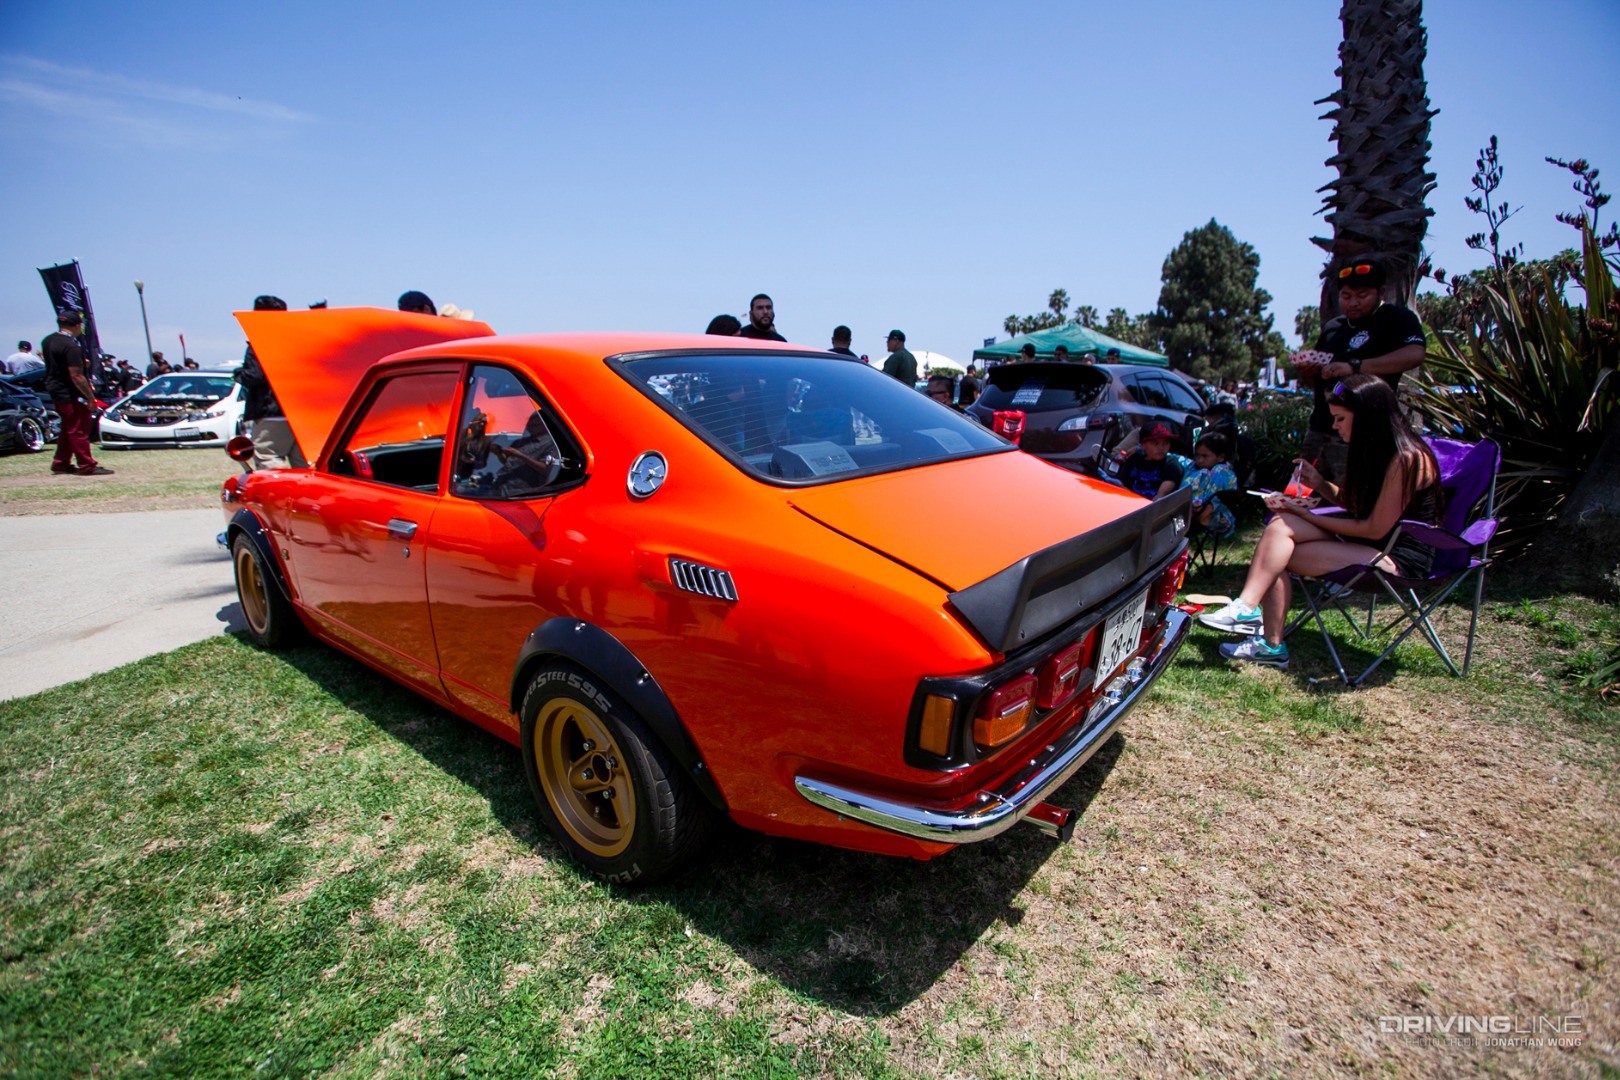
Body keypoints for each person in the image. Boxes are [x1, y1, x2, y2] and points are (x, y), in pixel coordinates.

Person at [1198, 374, 1442, 668]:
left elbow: (1374, 527)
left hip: (1396, 556)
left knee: (1279, 551)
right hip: (1367, 542)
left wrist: (1307, 515)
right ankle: (1248, 611)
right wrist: (1320, 485)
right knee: (1280, 530)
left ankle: (1266, 637)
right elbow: (1356, 504)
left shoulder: (1408, 459)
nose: (1335, 426)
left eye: (1340, 419)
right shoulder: (1374, 450)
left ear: (1367, 417)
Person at [1294, 258, 1425, 485]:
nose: (1353, 303)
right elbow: (1317, 382)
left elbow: (1415, 354)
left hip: (1364, 432)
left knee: (1352, 496)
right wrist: (1308, 371)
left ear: (1381, 292)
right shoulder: (1333, 328)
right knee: (1301, 492)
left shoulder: (1396, 318)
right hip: (1320, 428)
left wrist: (1355, 366)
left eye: (1362, 296)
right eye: (1346, 296)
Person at [236, 295, 307, 470]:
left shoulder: (260, 341)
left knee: (268, 458)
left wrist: (238, 374)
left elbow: (254, 376)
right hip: (301, 413)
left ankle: (280, 489)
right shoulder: (299, 341)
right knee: (304, 464)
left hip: (270, 412)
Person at [42, 310, 112, 476]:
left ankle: (60, 463)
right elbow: (77, 376)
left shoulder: (48, 341)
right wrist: (90, 398)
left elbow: (58, 364)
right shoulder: (71, 346)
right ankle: (87, 465)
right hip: (70, 392)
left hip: (56, 390)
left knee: (68, 428)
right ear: (77, 326)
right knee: (79, 429)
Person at [1184, 431, 1238, 538]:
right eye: (1197, 455)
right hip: (1193, 511)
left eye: (1205, 456)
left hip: (1216, 513)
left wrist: (1205, 509)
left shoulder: (1223, 472)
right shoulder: (1194, 468)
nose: (1200, 460)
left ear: (1221, 457)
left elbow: (1221, 498)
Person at [1117, 422, 1183, 499]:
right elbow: (1120, 485)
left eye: (1166, 443)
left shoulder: (1171, 464)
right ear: (1143, 445)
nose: (1161, 447)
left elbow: (1160, 496)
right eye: (1155, 443)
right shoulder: (1133, 460)